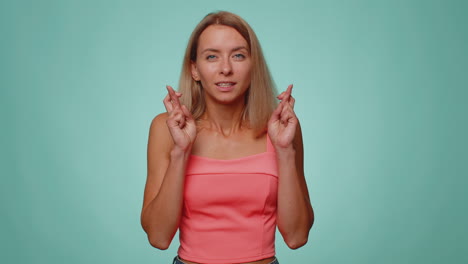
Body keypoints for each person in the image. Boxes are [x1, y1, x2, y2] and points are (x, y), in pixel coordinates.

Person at [141, 11, 314, 264]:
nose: (225, 69)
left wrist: (285, 152)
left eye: (238, 56)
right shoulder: (165, 128)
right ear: (194, 69)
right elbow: (158, 237)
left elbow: (297, 237)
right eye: (212, 56)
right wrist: (181, 152)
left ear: (253, 65)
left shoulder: (281, 129)